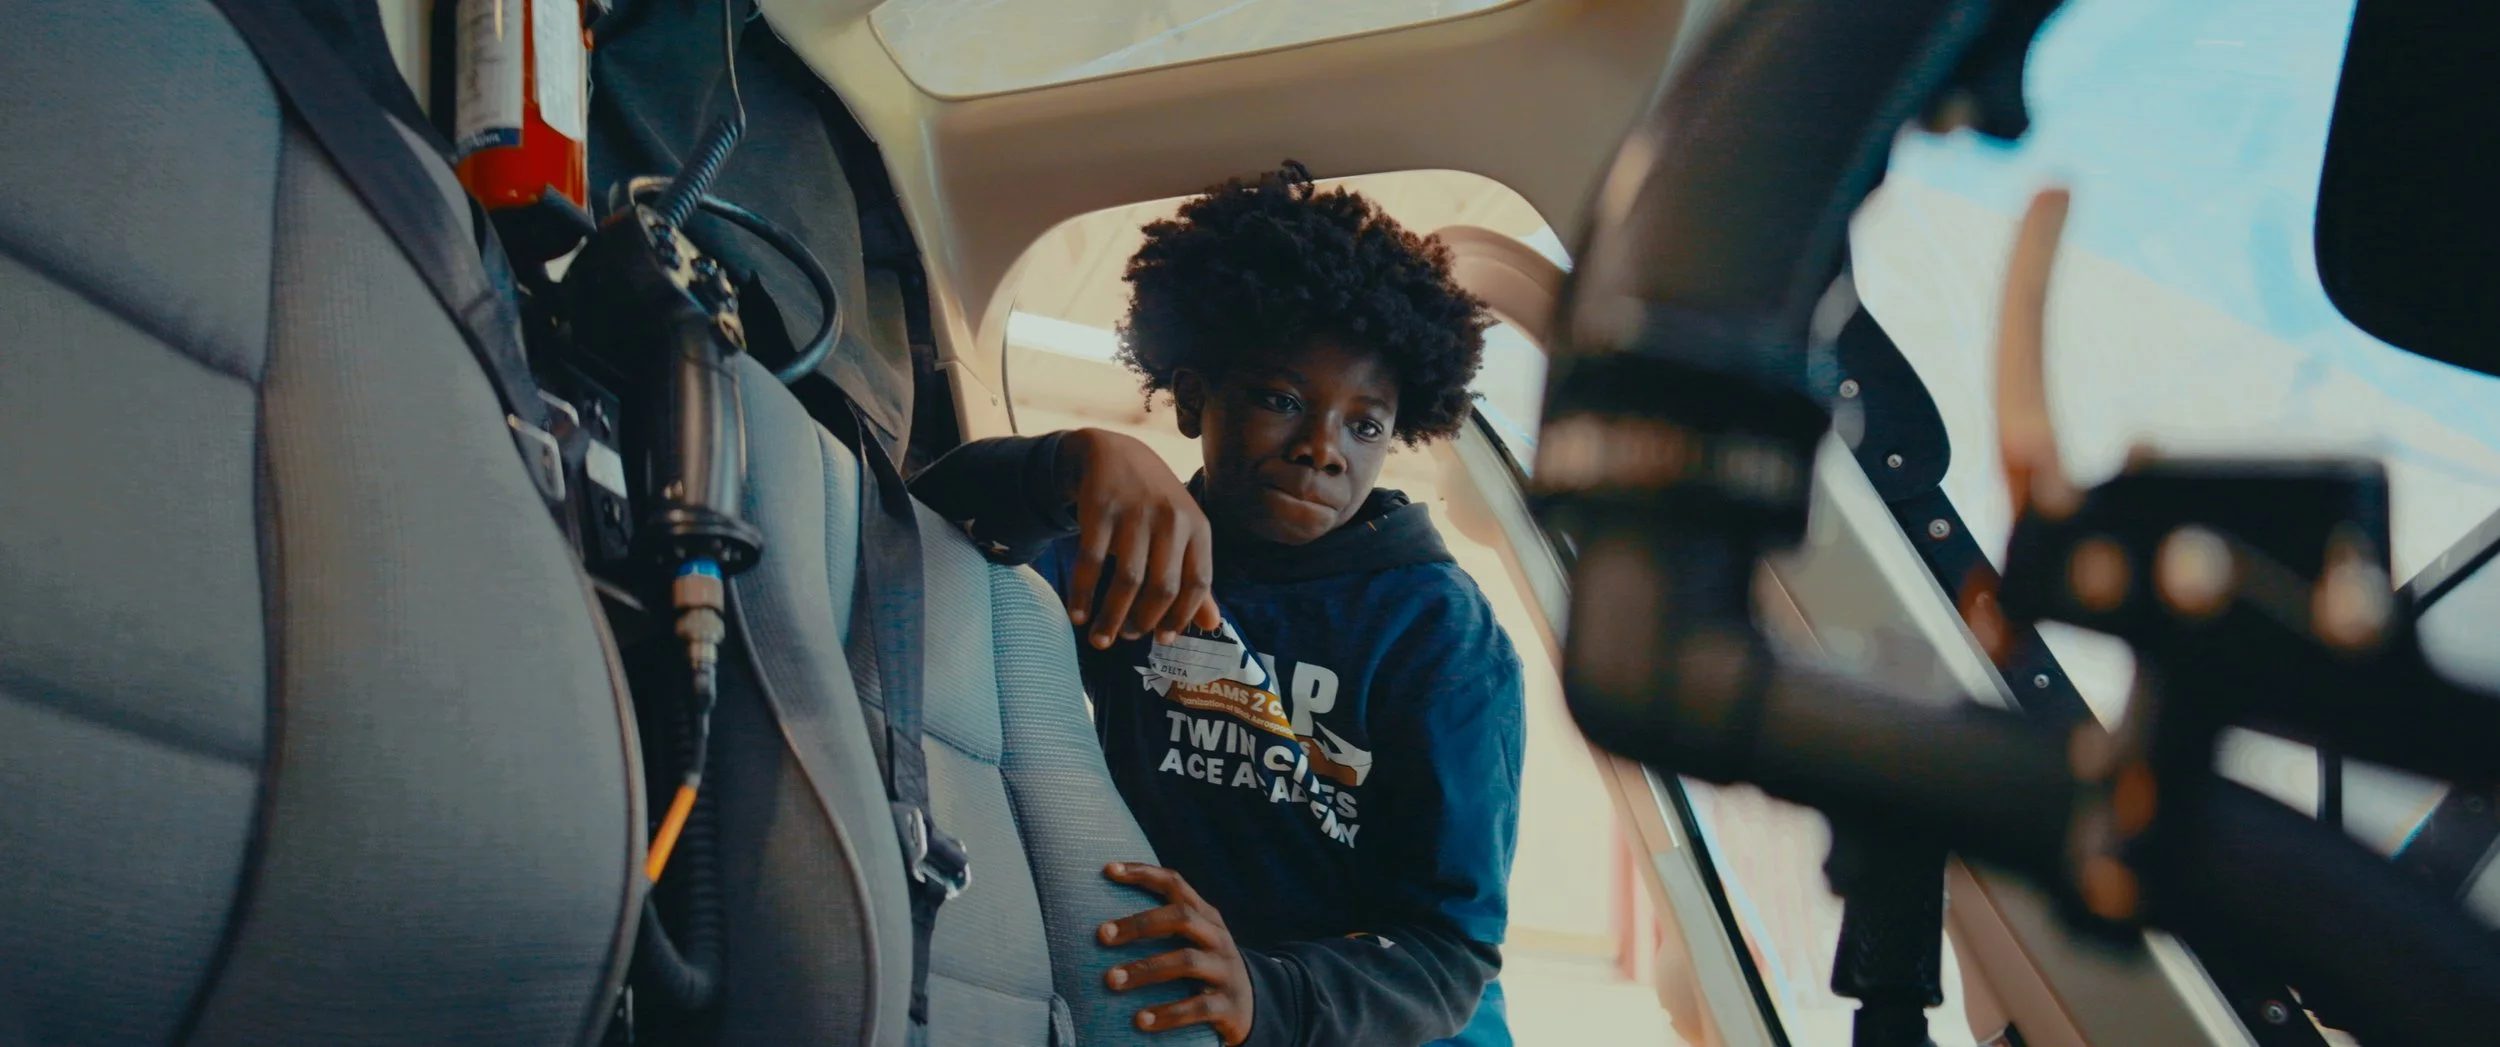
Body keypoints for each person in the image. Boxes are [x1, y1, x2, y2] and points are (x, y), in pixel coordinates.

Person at [910, 162, 1524, 1047]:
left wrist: (1265, 992)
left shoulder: (1440, 633)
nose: (1322, 448)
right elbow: (926, 528)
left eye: (1366, 423)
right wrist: (1067, 462)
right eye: (1282, 400)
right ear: (1196, 397)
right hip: (1180, 1002)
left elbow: (1448, 949)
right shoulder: (1129, 546)